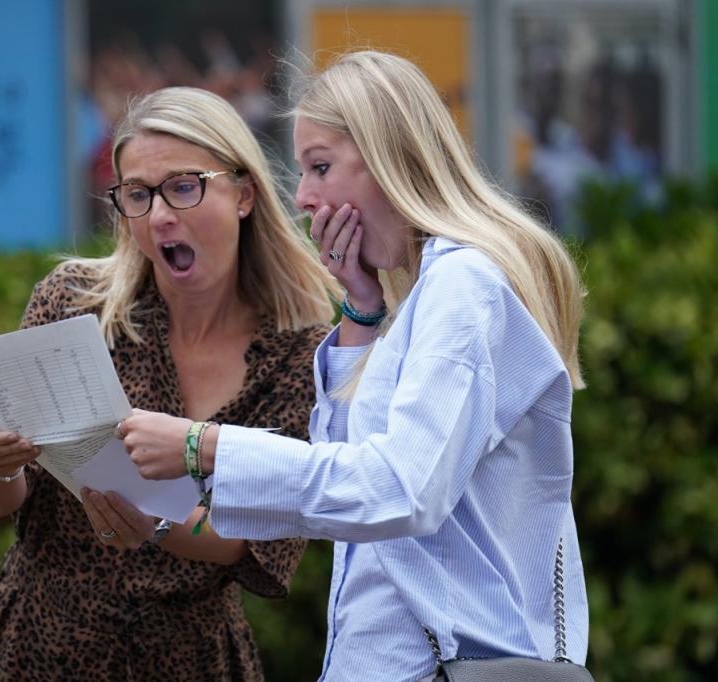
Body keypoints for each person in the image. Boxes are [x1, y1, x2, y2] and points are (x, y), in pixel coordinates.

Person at [120, 51, 590, 682]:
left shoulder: (462, 283)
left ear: (390, 157)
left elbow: (398, 492)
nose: (305, 196)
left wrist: (205, 447)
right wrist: (362, 313)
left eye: (320, 166)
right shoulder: (422, 294)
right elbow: (348, 484)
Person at [0, 87, 336, 680]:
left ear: (244, 194)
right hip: (41, 650)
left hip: (190, 659)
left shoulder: (300, 350)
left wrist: (156, 522)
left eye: (184, 186)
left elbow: (262, 537)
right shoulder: (74, 302)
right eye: (137, 194)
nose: (158, 216)